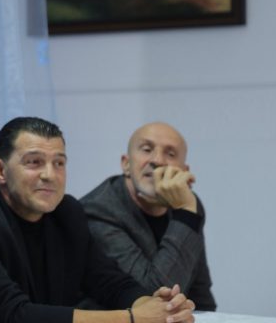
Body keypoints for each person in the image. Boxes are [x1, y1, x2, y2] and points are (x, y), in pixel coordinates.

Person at [0, 117, 196, 323]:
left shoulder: (67, 212)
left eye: (59, 163)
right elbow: (9, 313)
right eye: (34, 162)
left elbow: (109, 281)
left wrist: (158, 306)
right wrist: (132, 318)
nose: (49, 175)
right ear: (0, 170)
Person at [81, 122, 216, 311]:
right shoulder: (99, 210)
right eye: (147, 149)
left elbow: (200, 296)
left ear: (184, 172)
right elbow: (150, 298)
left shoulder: (188, 204)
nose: (158, 161)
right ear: (126, 164)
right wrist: (185, 213)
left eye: (170, 154)